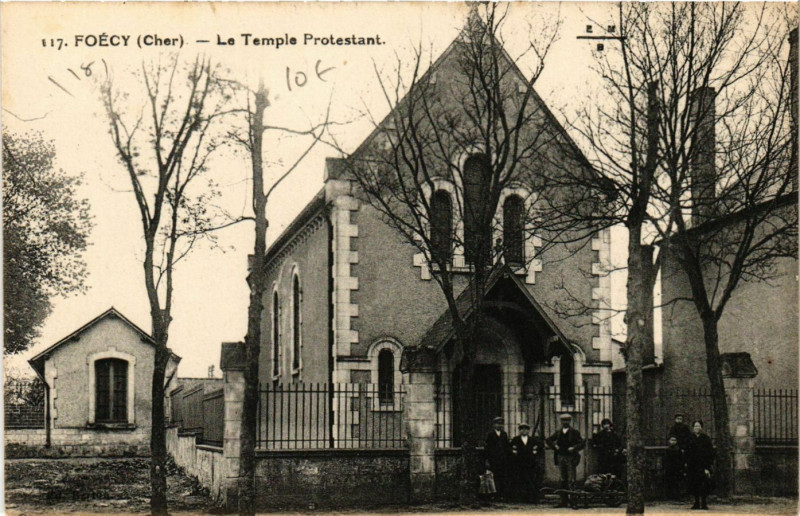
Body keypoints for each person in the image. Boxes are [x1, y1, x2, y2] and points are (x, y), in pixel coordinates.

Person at [546, 413, 584, 507]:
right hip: (561, 457)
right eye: (563, 420)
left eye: (567, 420)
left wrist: (574, 448)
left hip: (571, 457)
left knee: (571, 479)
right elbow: (548, 440)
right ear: (561, 421)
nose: (565, 422)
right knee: (563, 479)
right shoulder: (558, 432)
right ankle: (563, 501)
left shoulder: (574, 432)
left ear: (570, 421)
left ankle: (573, 502)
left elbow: (582, 443)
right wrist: (555, 445)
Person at [509, 422, 543, 503]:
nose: (524, 431)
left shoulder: (532, 440)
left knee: (530, 480)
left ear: (528, 431)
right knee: (519, 480)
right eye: (521, 429)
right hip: (519, 463)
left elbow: (538, 449)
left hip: (530, 463)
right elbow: (511, 450)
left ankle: (530, 498)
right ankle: (519, 498)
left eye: (526, 429)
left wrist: (535, 454)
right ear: (519, 430)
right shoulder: (515, 439)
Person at [685, 420, 714, 510]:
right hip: (693, 466)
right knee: (694, 484)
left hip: (703, 466)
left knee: (704, 484)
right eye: (695, 426)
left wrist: (707, 466)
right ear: (693, 428)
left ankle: (704, 503)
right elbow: (687, 452)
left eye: (698, 426)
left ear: (701, 427)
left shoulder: (706, 439)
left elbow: (710, 453)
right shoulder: (689, 438)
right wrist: (687, 463)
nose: (697, 428)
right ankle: (696, 502)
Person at [484, 416, 511, 499]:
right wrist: (487, 460)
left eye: (501, 424)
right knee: (494, 477)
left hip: (503, 460)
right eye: (498, 424)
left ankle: (502, 495)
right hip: (493, 460)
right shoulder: (490, 434)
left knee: (502, 477)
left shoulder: (504, 434)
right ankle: (494, 494)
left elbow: (507, 447)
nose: (500, 426)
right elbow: (487, 448)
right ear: (494, 425)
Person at [663, 435, 685, 500]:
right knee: (669, 482)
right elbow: (665, 459)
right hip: (669, 468)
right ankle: (669, 496)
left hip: (676, 468)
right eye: (672, 440)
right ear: (669, 441)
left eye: (674, 440)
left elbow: (681, 459)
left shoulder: (678, 450)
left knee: (677, 483)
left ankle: (677, 496)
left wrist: (681, 467)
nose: (673, 442)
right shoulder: (667, 450)